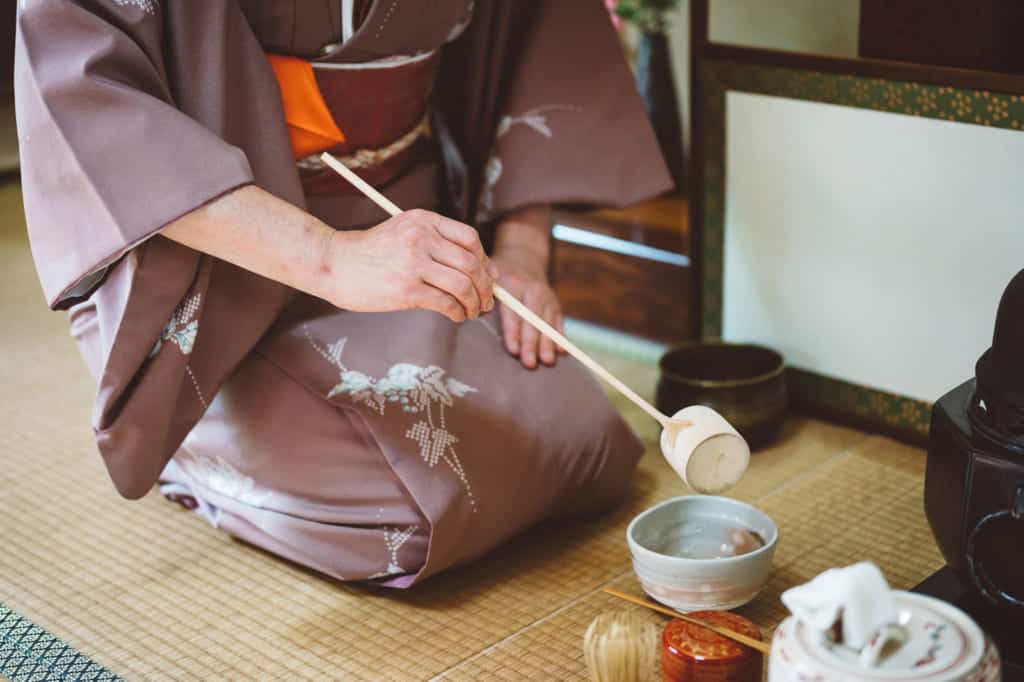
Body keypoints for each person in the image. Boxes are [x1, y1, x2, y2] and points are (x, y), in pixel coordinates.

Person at [15, 0, 672, 586]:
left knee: (586, 443)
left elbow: (543, 30)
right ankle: (184, 426)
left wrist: (523, 250)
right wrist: (329, 258)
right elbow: (89, 83)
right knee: (414, 513)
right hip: (228, 266)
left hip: (408, 232)